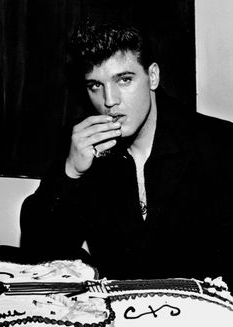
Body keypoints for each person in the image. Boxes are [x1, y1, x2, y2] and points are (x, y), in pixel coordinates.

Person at [19, 21, 233, 288]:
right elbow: (38, 252)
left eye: (124, 80)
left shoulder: (220, 145)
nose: (110, 101)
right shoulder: (82, 143)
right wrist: (71, 172)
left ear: (152, 76)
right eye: (95, 86)